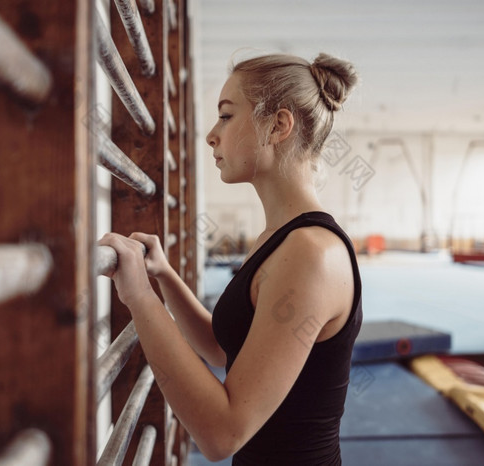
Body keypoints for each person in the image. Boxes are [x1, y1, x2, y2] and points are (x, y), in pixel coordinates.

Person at [98, 52, 363, 465]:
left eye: (225, 116)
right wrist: (164, 277)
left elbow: (223, 434)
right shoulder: (277, 239)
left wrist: (139, 298)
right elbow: (226, 351)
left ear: (277, 126)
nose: (211, 135)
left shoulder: (311, 253)